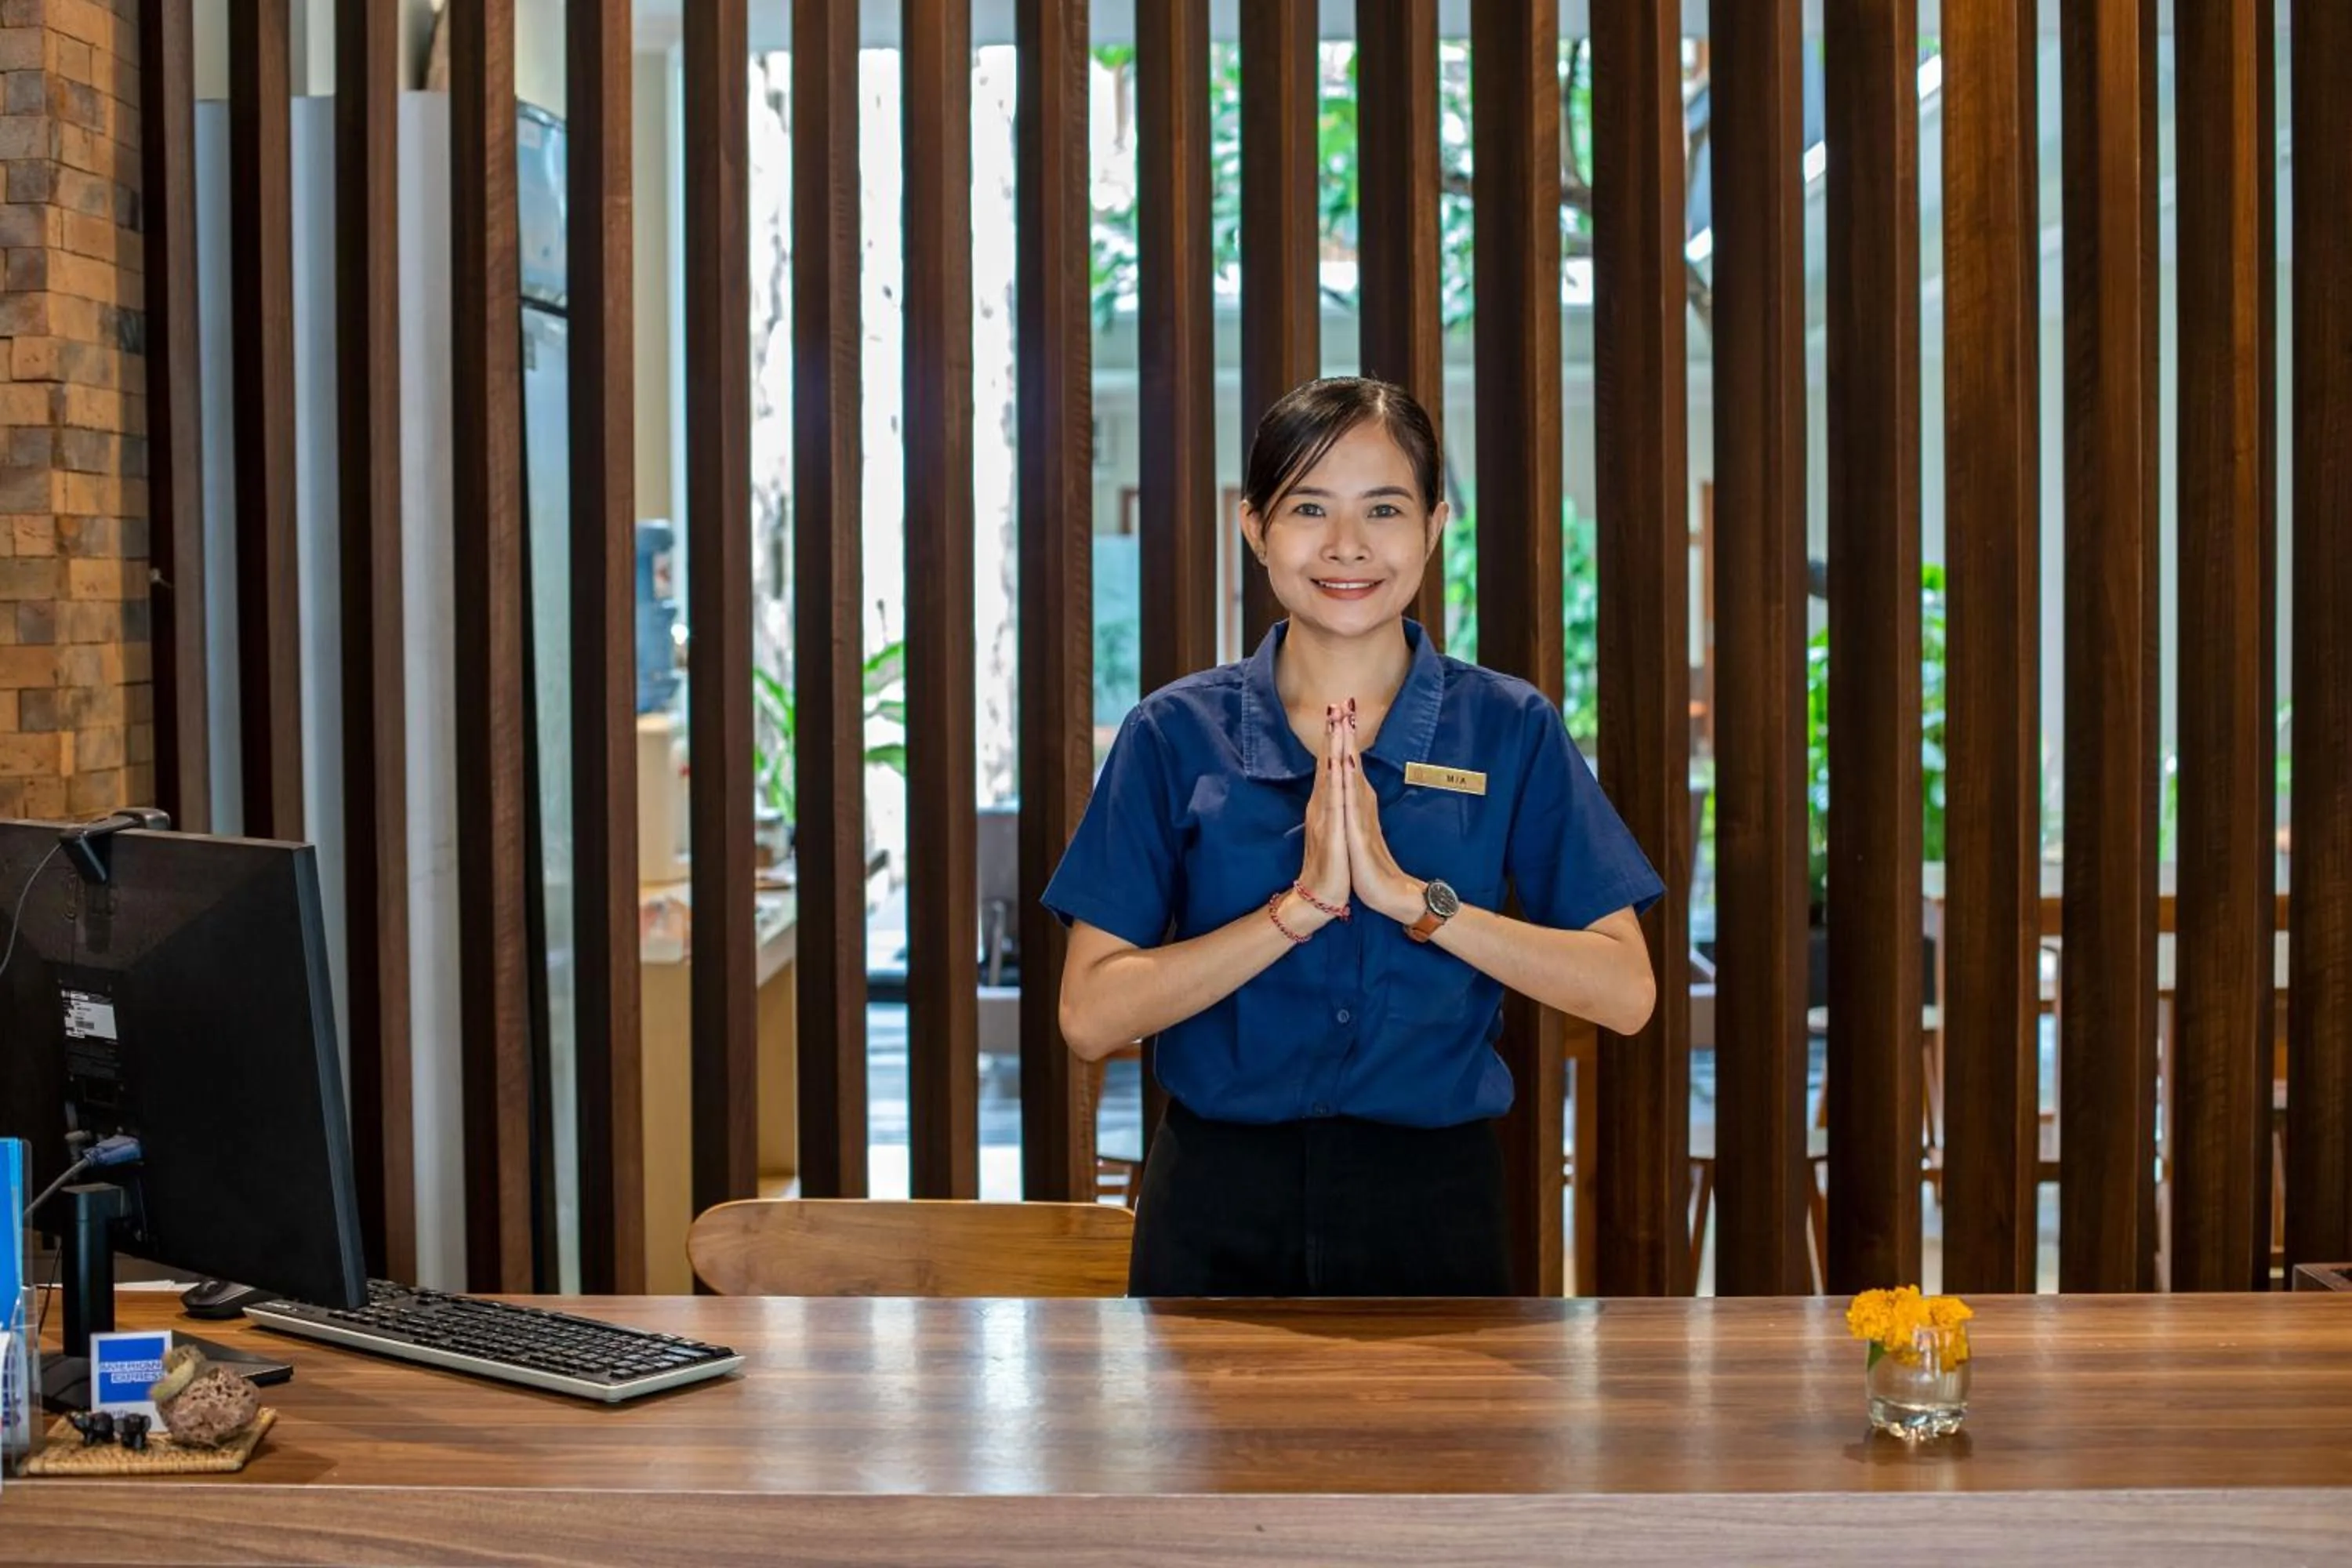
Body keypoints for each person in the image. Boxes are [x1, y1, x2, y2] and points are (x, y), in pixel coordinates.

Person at [1044, 376, 1662, 1298]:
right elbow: (1089, 1015)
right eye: (1308, 507)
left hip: (1435, 1202)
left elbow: (1625, 990)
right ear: (1254, 528)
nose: (1347, 546)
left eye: (1384, 507)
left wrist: (1417, 902)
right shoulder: (1172, 735)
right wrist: (1296, 912)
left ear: (1434, 525)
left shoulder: (1508, 727)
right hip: (1216, 1201)